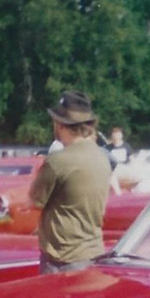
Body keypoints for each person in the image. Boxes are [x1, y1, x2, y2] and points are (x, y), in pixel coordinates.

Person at [28, 90, 113, 273]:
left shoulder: (58, 161)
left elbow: (35, 201)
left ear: (60, 124)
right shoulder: (101, 157)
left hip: (61, 258)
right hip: (93, 252)